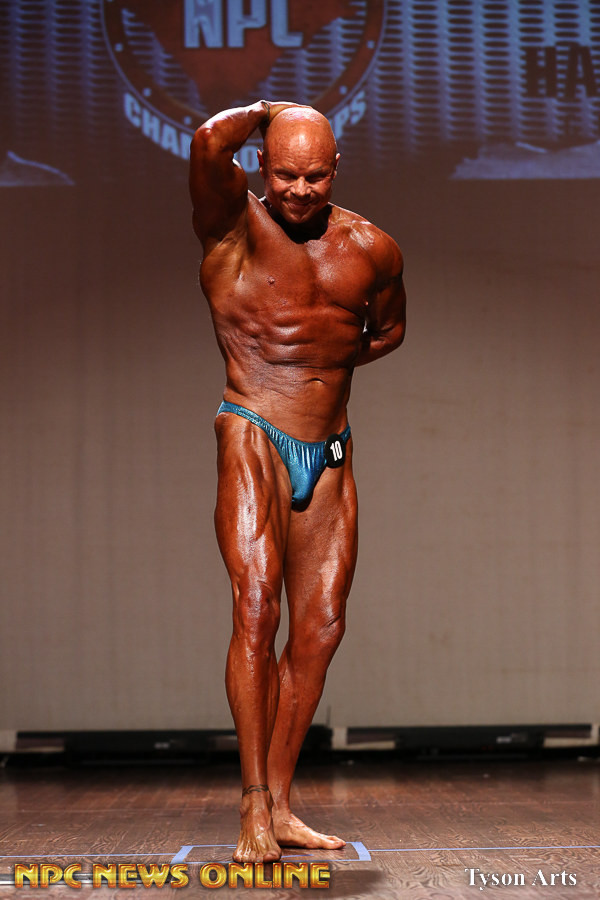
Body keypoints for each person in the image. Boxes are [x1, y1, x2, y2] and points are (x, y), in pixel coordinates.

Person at [189, 100, 406, 864]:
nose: (301, 190)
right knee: (257, 608)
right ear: (261, 165)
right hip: (253, 427)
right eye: (285, 174)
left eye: (315, 175)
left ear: (336, 167)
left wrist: (326, 363)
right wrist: (270, 109)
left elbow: (389, 330)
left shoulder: (372, 247)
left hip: (331, 446)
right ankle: (250, 804)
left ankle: (280, 804)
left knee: (320, 628)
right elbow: (206, 141)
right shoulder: (232, 227)